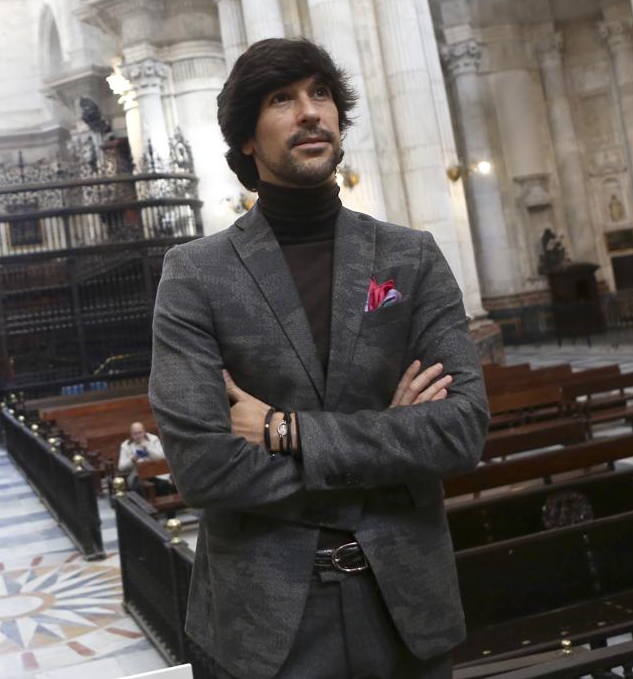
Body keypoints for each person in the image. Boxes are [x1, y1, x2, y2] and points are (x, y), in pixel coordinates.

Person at [148, 38, 489, 679]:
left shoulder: (409, 258)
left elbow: (461, 430)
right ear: (246, 138)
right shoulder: (195, 275)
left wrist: (288, 431)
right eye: (283, 99)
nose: (310, 112)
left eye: (321, 94)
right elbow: (203, 468)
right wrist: (389, 445)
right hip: (264, 622)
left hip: (406, 611)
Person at [116, 422, 166, 491]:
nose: (138, 436)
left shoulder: (154, 439)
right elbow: (121, 467)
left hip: (156, 474)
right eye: (135, 433)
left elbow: (162, 457)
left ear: (144, 432)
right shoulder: (125, 445)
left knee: (165, 485)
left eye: (140, 433)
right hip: (137, 476)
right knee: (138, 488)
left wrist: (147, 447)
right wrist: (132, 460)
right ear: (131, 434)